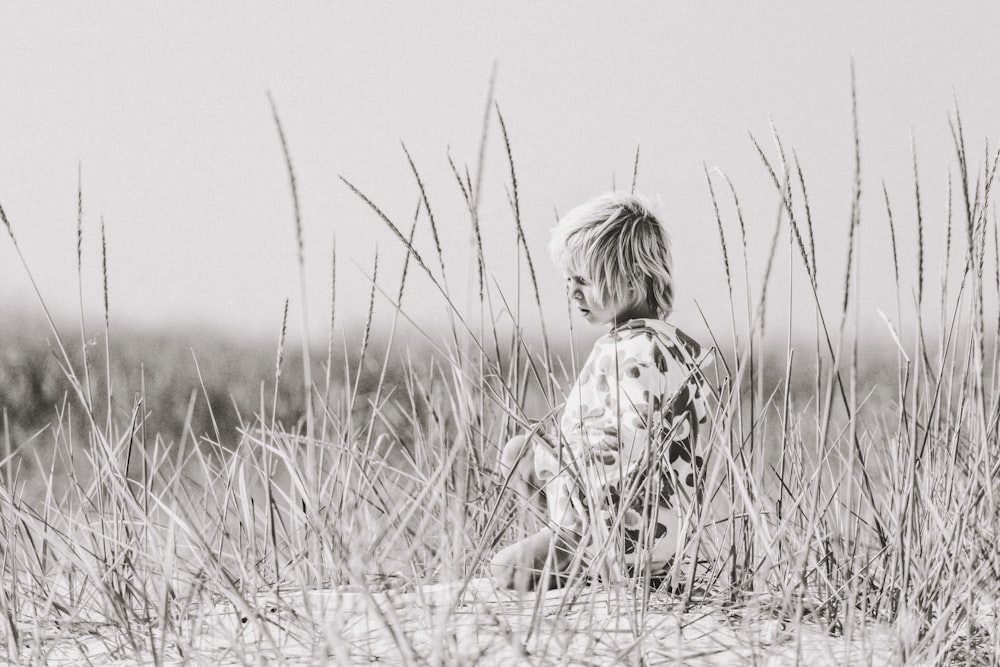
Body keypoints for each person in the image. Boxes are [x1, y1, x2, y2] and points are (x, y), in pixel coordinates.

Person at [490, 192, 712, 593]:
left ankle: (591, 561)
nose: (572, 293)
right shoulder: (664, 345)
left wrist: (573, 475)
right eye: (568, 280)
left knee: (506, 570)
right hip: (639, 518)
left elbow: (634, 451)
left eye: (584, 281)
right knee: (519, 452)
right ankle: (569, 540)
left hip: (625, 527)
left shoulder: (638, 354)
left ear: (631, 278)